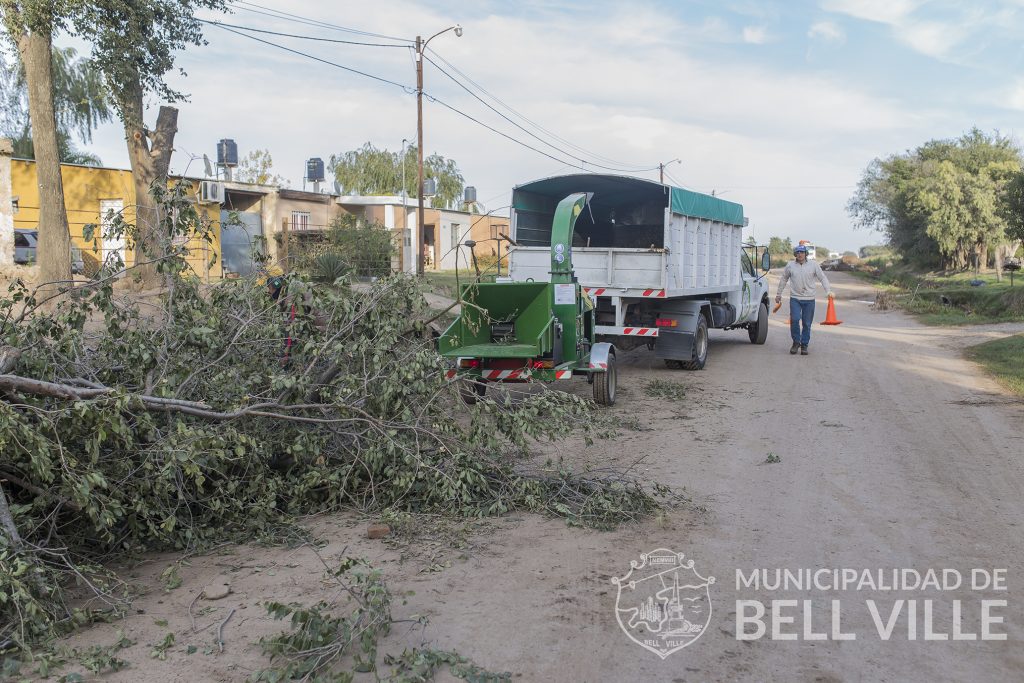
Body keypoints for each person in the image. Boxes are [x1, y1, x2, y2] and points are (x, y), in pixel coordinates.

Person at [775, 245, 832, 355]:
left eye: (802, 252)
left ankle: (804, 345)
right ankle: (796, 342)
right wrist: (778, 294)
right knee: (795, 320)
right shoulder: (790, 265)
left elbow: (822, 278)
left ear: (806, 254)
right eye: (798, 252)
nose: (800, 254)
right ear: (795, 254)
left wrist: (828, 291)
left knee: (807, 323)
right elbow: (783, 279)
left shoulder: (813, 265)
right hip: (795, 298)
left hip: (809, 299)